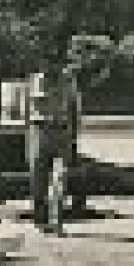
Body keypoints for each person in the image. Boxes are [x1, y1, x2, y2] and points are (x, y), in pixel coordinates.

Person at [26, 44, 87, 234]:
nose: (50, 66)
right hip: (40, 131)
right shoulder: (35, 81)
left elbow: (74, 110)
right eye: (47, 62)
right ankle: (40, 220)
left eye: (54, 62)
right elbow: (27, 110)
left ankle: (57, 221)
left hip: (61, 133)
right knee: (38, 180)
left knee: (60, 178)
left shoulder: (68, 82)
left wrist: (74, 138)